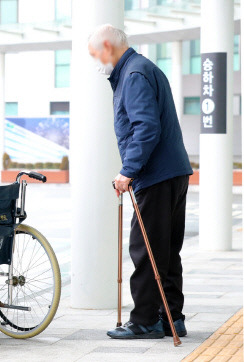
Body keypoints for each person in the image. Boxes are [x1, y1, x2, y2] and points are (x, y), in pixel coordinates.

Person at [88, 24, 193, 339]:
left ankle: (146, 320)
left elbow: (146, 127)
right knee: (166, 249)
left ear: (108, 46)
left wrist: (128, 170)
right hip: (174, 172)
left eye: (95, 54)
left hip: (157, 175)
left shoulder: (133, 75)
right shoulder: (145, 68)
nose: (95, 61)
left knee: (145, 248)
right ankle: (172, 317)